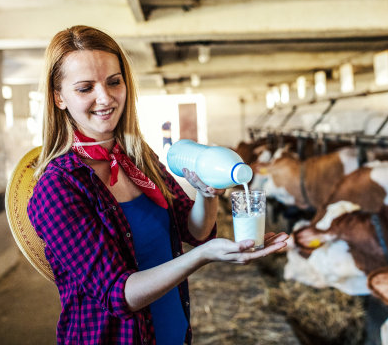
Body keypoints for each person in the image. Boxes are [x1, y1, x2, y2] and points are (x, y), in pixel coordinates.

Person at [27, 25, 288, 345]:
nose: (105, 97)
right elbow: (119, 295)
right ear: (59, 98)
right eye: (85, 88)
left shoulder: (138, 158)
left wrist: (206, 192)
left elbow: (193, 230)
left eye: (114, 82)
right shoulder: (57, 187)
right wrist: (204, 256)